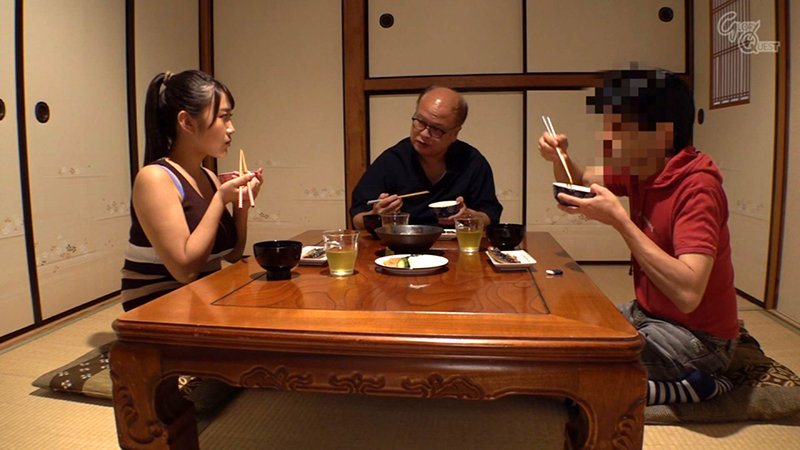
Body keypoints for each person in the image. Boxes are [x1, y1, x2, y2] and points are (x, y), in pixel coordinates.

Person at [537, 70, 738, 405]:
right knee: (568, 332)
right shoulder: (643, 167)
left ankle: (701, 385)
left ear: (661, 134)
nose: (606, 136)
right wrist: (560, 157)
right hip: (648, 313)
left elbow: (689, 293)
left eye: (618, 128)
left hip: (699, 338)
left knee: (577, 376)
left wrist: (621, 222)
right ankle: (678, 387)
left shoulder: (697, 187)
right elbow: (581, 179)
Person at [121, 70, 262, 312]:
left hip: (203, 297)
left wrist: (242, 205)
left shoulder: (208, 176)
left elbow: (233, 254)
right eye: (223, 117)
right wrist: (220, 199)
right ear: (187, 122)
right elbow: (185, 271)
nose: (231, 128)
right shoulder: (155, 178)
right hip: (157, 305)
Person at [350, 86, 502, 228]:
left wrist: (468, 216)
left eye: (436, 129)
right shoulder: (392, 160)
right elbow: (357, 218)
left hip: (456, 244)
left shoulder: (471, 162)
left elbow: (491, 215)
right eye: (420, 122)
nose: (424, 133)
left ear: (455, 133)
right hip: (402, 243)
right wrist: (376, 215)